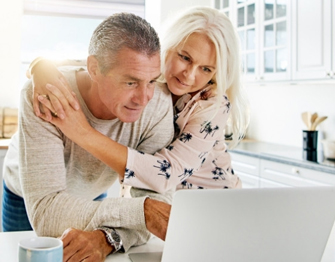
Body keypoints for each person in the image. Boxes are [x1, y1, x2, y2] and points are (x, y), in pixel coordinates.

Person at [2, 13, 174, 262]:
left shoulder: (159, 106)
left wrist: (108, 237)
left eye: (151, 80)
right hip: (27, 197)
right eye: (130, 82)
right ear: (94, 68)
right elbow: (46, 213)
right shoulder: (46, 94)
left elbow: (157, 211)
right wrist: (143, 212)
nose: (144, 98)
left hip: (93, 194)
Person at [32, 6, 250, 193]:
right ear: (168, 46)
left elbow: (167, 173)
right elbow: (105, 64)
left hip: (216, 201)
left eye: (205, 68)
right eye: (185, 58)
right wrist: (41, 66)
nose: (190, 75)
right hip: (167, 206)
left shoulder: (213, 104)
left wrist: (82, 132)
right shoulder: (152, 75)